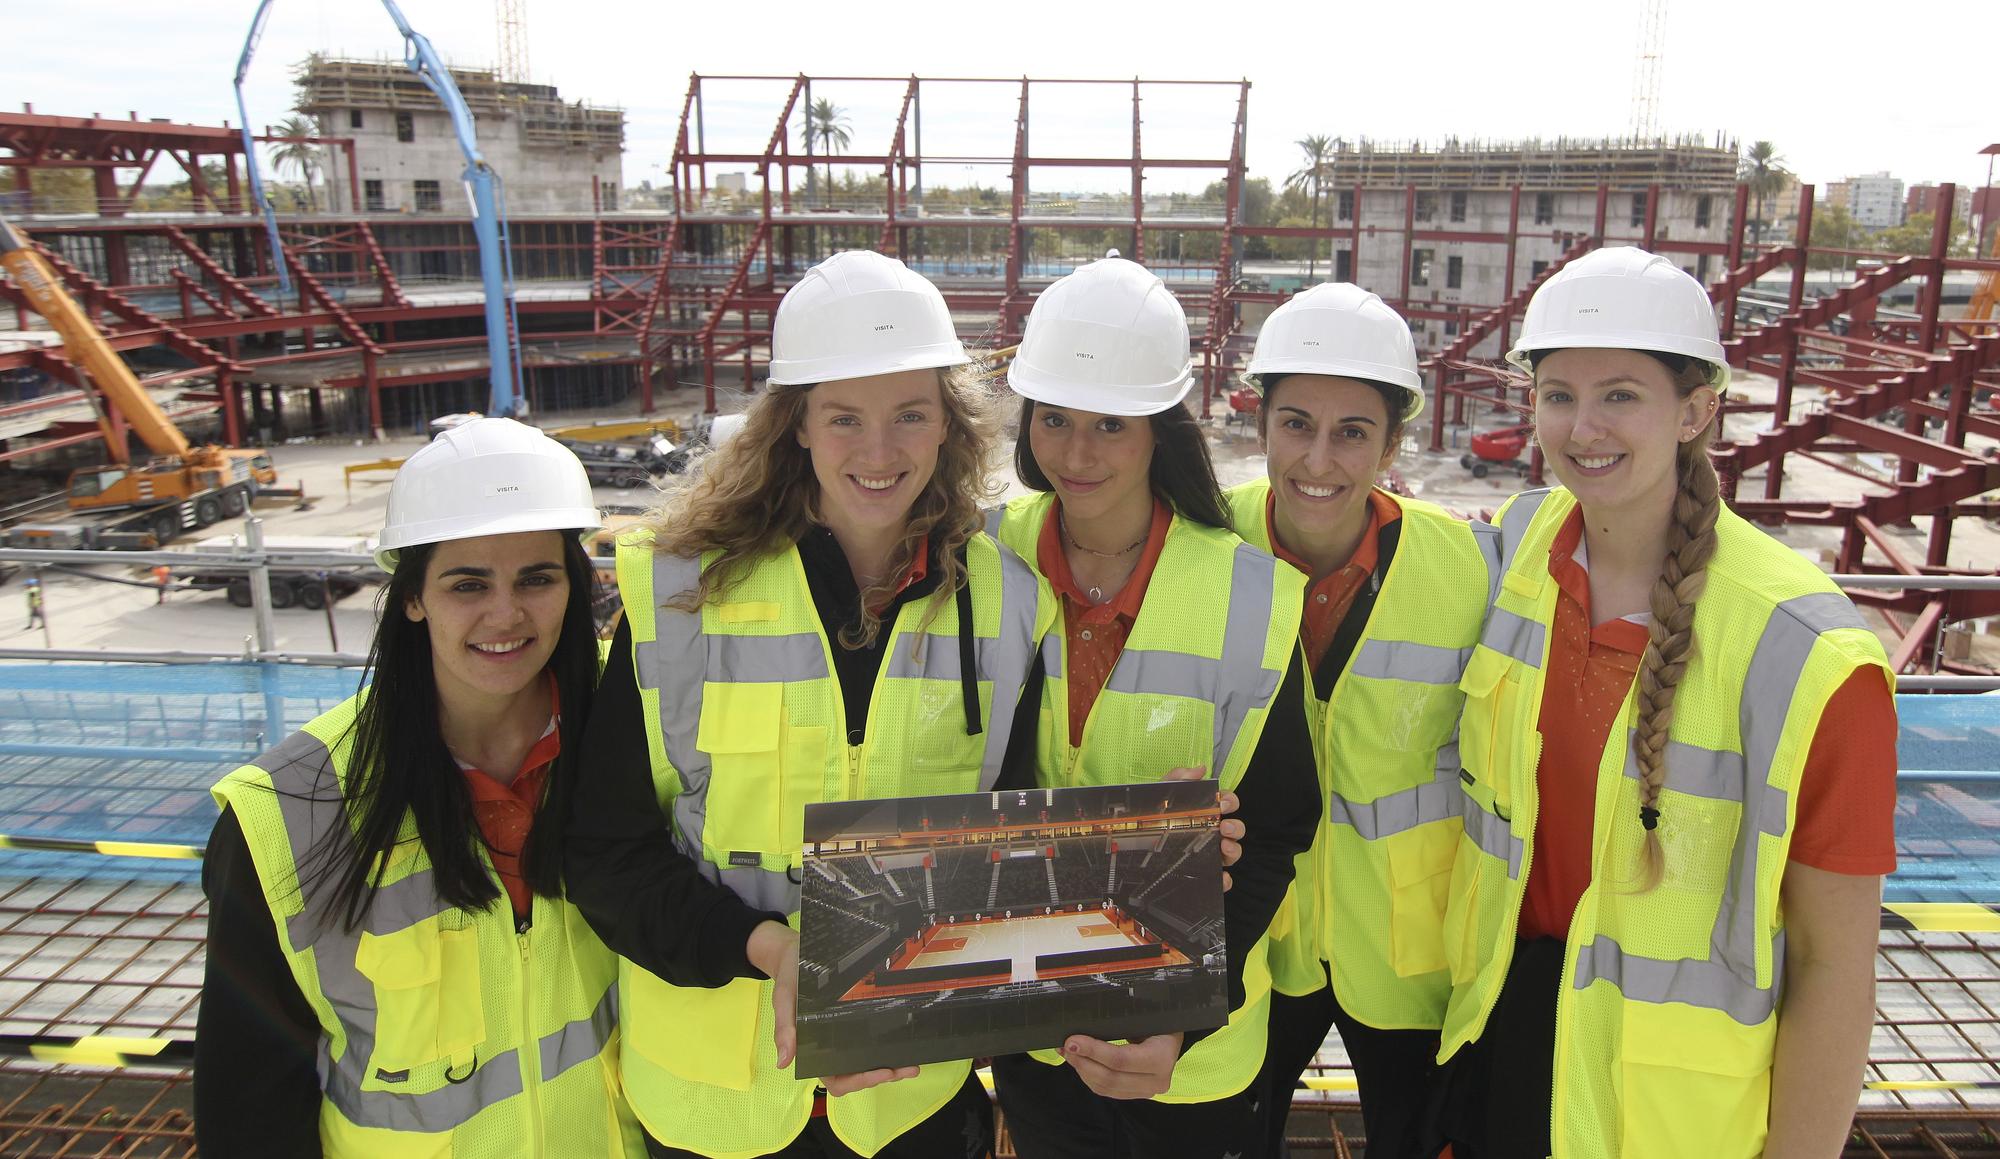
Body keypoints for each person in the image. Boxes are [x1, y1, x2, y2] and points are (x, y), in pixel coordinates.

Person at [564, 250, 1056, 1159]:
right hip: (720, 1106)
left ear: (948, 424)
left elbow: (1010, 838)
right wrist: (772, 950)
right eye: (845, 418)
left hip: (908, 1099)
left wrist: (1164, 838)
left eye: (911, 414)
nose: (880, 451)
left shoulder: (1009, 600)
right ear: (795, 425)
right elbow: (606, 856)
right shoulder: (681, 596)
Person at [1433, 247, 1896, 1158]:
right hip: (1502, 1043)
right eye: (1557, 393)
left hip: (1671, 1115)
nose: (1582, 426)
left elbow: (1836, 963)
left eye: (1620, 394)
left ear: (1696, 410)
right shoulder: (1519, 552)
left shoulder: (1805, 653)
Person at [196, 419, 641, 1156]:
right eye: (468, 584)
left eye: (538, 577)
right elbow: (248, 1111)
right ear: (411, 596)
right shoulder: (289, 816)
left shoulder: (641, 732)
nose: (507, 614)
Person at [985, 255, 1320, 1159]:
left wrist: (1182, 1018)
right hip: (1035, 1028)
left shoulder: (1249, 592)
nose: (1077, 453)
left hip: (1191, 1055)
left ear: (1160, 430)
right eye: (1053, 420)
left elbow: (1281, 824)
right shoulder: (984, 561)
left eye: (1110, 424)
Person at [1225, 284, 1498, 1158]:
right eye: (1296, 423)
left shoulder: (1467, 565)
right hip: (1259, 941)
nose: (1320, 458)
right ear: (1260, 424)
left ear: (1391, 443)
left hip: (1409, 955)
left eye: (1353, 432)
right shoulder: (1205, 547)